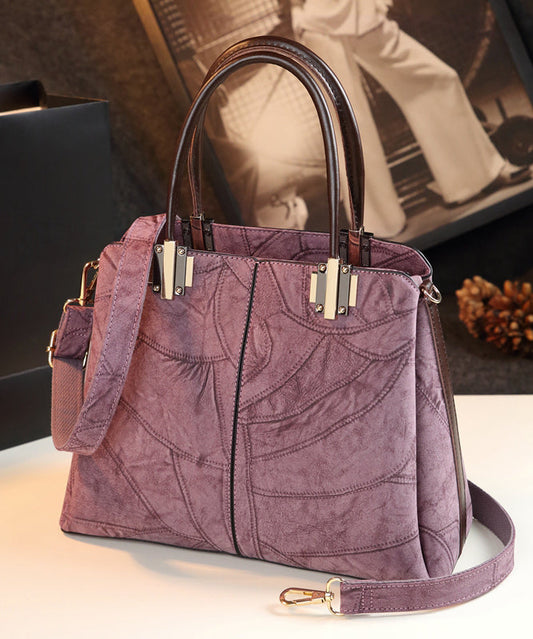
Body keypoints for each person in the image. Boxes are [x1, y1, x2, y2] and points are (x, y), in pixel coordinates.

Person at [292, 0, 530, 237]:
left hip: (359, 11)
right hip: (317, 22)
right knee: (349, 122)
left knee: (437, 78)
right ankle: (378, 224)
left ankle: (475, 177)